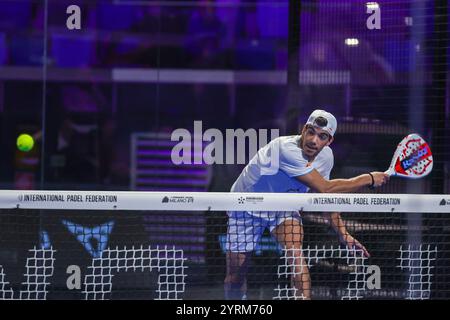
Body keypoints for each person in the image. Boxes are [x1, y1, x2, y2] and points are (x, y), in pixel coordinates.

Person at [224, 109, 389, 300]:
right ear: (303, 130)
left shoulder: (326, 157)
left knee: (295, 255)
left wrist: (343, 234)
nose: (314, 140)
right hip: (247, 206)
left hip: (284, 205)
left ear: (329, 141)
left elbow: (324, 198)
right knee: (236, 275)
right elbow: (325, 188)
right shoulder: (285, 149)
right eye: (311, 132)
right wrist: (367, 179)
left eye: (322, 136)